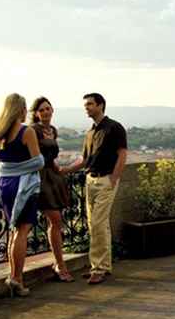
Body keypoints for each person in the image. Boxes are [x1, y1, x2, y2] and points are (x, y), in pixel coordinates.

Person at [0, 93, 44, 297]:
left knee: (14, 231)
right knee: (22, 231)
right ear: (22, 110)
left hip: (3, 184)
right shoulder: (26, 132)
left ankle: (14, 276)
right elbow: (38, 162)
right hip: (23, 186)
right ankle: (17, 279)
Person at [61, 93, 127, 285]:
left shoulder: (114, 127)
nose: (86, 108)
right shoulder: (90, 132)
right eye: (85, 105)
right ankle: (102, 266)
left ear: (101, 105)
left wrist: (114, 178)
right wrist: (65, 170)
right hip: (90, 180)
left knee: (98, 224)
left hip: (106, 180)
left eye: (89, 104)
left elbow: (122, 154)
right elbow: (84, 160)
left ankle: (98, 269)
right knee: (97, 225)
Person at [29, 96, 74, 282]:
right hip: (40, 177)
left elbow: (51, 156)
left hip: (52, 177)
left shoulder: (52, 130)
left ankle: (58, 262)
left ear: (52, 110)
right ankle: (60, 264)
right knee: (55, 220)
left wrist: (60, 169)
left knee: (56, 221)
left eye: (48, 108)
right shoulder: (33, 130)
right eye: (41, 110)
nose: (46, 112)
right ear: (36, 113)